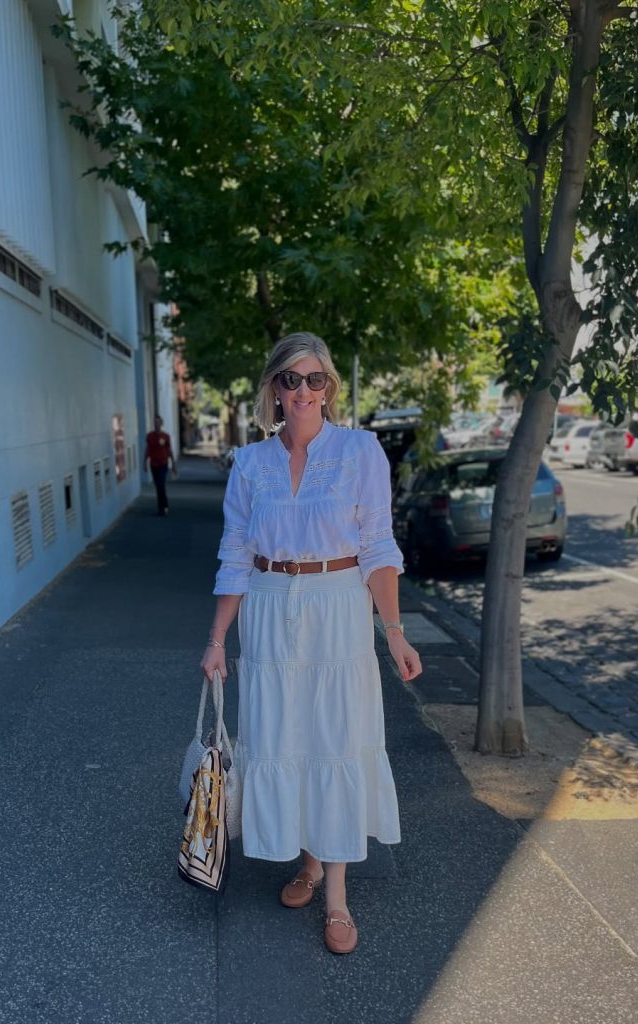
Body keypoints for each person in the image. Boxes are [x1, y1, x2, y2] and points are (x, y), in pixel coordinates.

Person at [200, 332, 422, 955]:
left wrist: (395, 632)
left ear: (330, 388)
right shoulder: (249, 464)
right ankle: (310, 859)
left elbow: (379, 546)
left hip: (337, 607)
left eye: (315, 379)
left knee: (336, 739)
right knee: (286, 738)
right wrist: (217, 638)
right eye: (291, 380)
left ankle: (338, 897)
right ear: (274, 388)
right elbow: (235, 556)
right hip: (270, 611)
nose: (303, 391)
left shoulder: (359, 452)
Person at [144, 414, 176, 516]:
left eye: (158, 422)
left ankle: (163, 507)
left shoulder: (165, 436)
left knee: (161, 484)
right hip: (153, 464)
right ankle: (162, 506)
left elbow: (169, 450)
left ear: (161, 424)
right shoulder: (150, 436)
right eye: (155, 423)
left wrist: (173, 463)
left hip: (163, 463)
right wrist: (144, 462)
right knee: (158, 486)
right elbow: (148, 449)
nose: (156, 424)